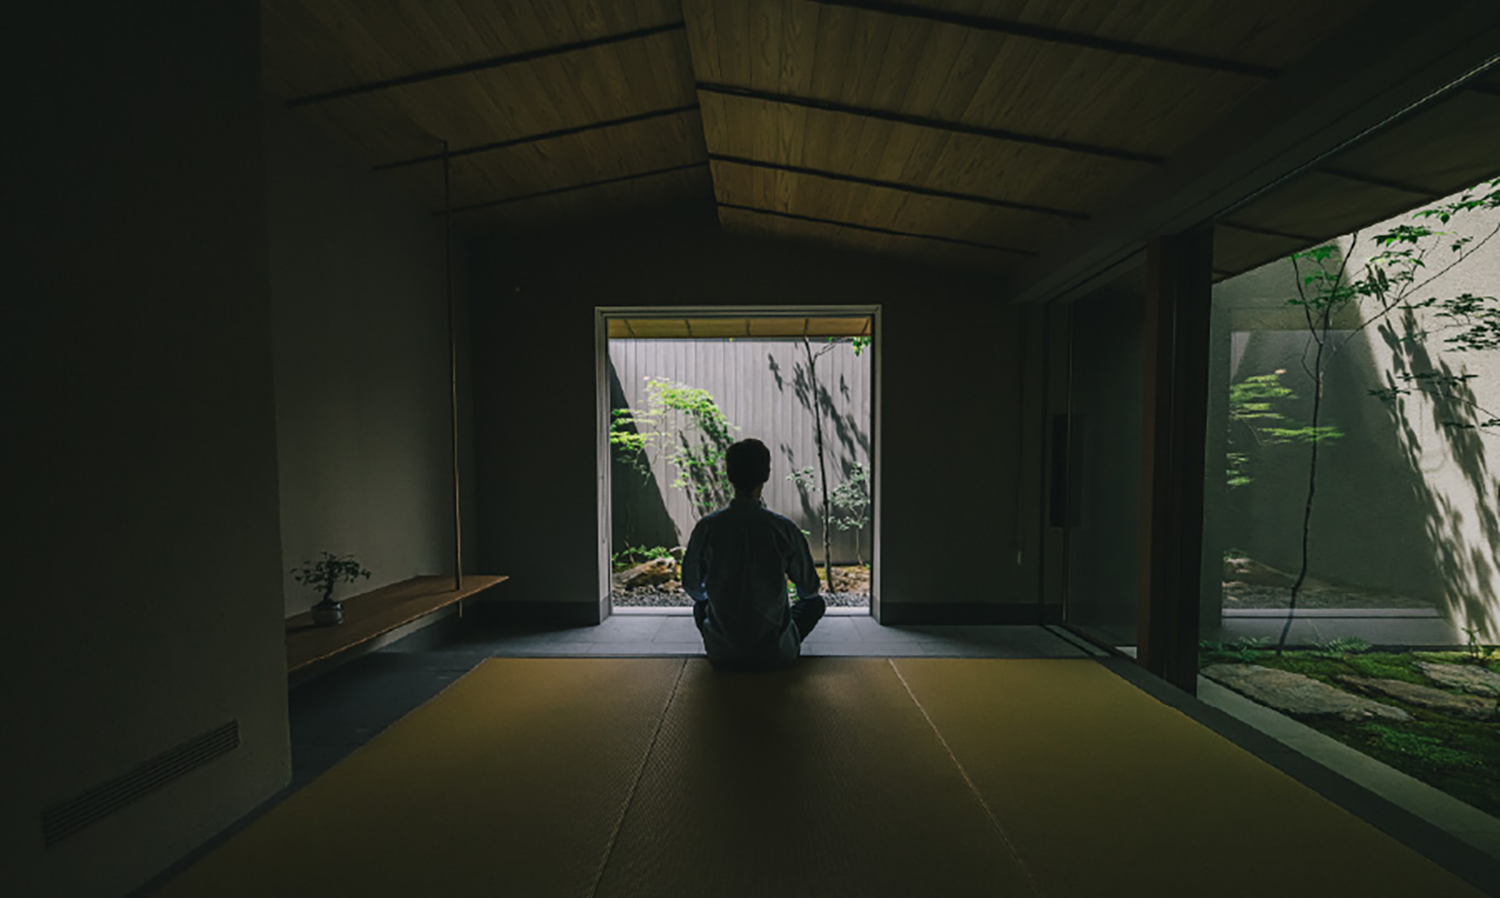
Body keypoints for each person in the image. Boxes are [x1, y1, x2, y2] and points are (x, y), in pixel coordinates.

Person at [681, 438, 827, 670]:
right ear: (766, 474)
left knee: (701, 607)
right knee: (816, 604)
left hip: (723, 655)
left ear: (729, 475)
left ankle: (726, 643)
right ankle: (779, 640)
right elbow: (809, 589)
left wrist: (717, 599)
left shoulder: (707, 528)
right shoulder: (783, 529)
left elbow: (692, 587)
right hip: (776, 654)